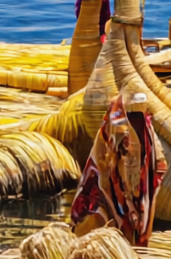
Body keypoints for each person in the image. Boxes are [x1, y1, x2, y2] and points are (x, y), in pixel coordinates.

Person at [70, 89, 165, 246]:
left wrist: (144, 230)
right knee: (99, 222)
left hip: (133, 198)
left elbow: (156, 173)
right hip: (109, 200)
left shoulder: (147, 135)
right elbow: (106, 159)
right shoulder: (114, 126)